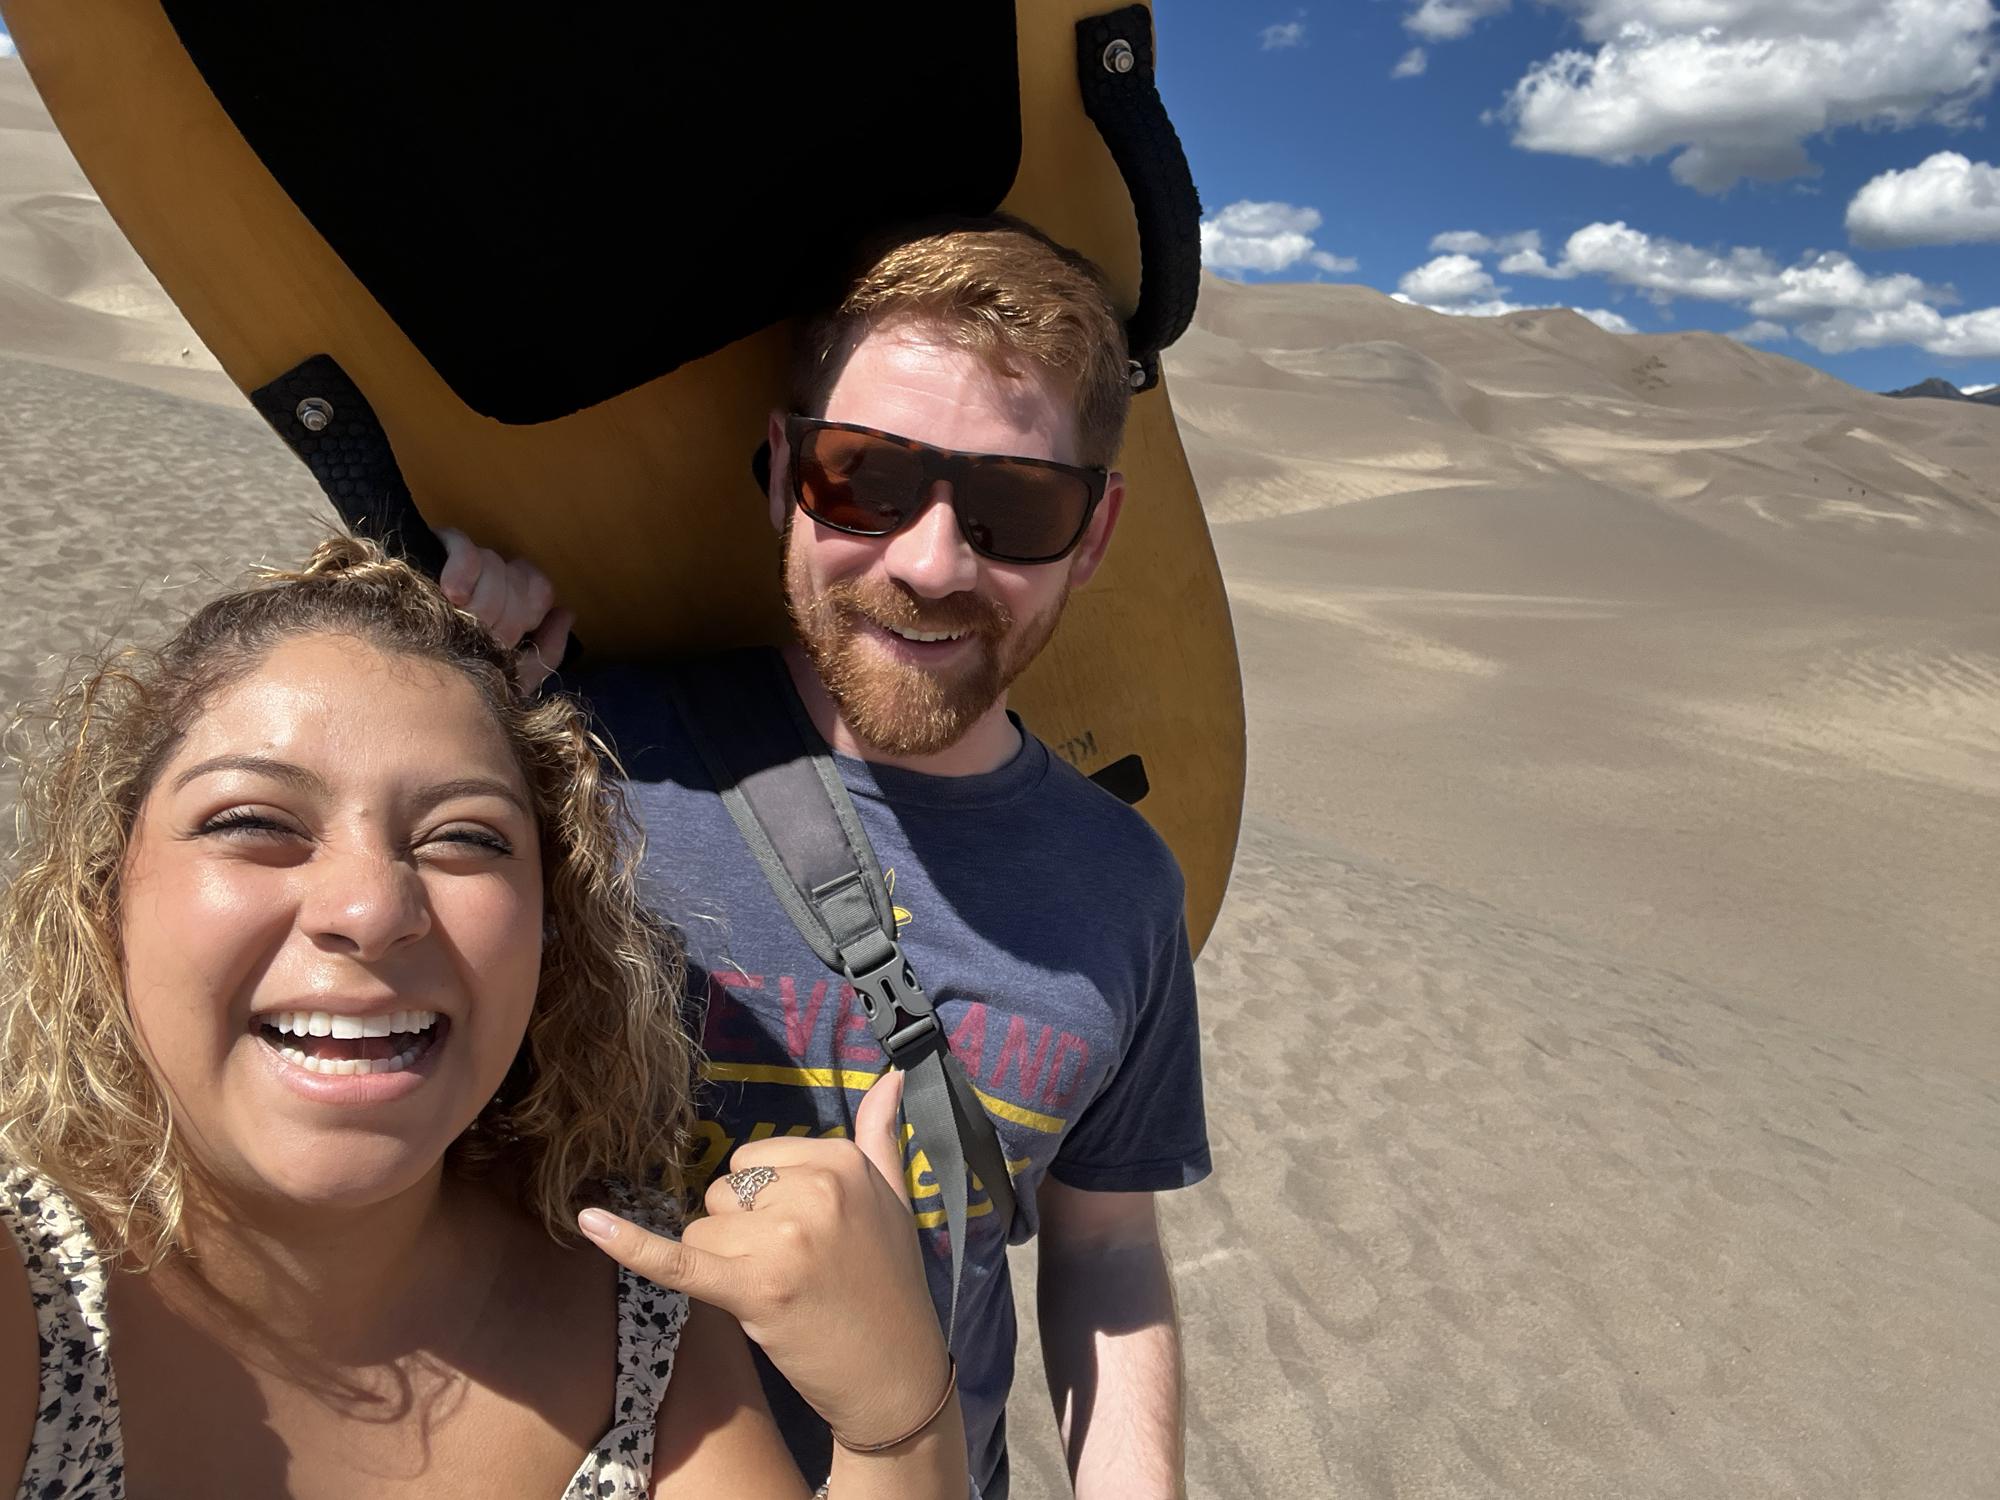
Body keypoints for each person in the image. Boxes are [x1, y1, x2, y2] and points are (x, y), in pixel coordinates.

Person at [442, 218, 1210, 1500]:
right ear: (782, 472)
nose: (929, 561)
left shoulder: (1123, 885)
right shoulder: (571, 759)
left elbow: (1107, 1243)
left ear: (1092, 534)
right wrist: (434, 684)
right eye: (867, 480)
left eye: (1018, 505)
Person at [0, 537, 965, 1498]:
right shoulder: (30, 1294)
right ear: (102, 890)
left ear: (554, 924)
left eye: (462, 837)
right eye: (255, 822)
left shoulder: (648, 1317)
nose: (373, 909)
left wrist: (897, 1421)